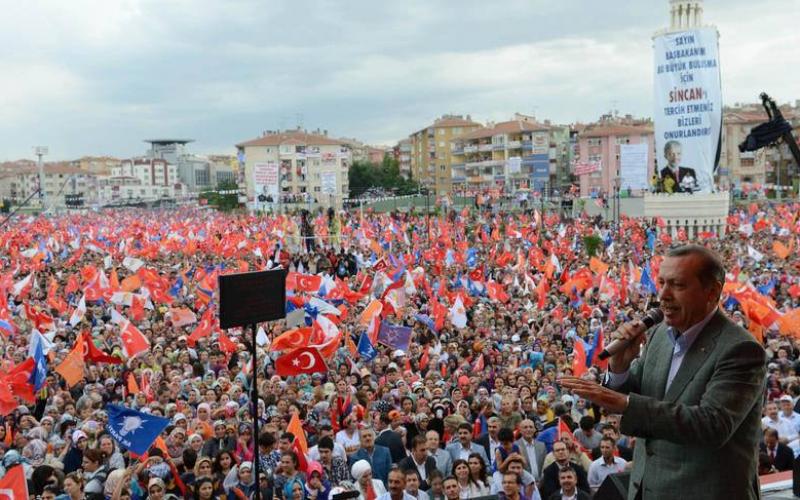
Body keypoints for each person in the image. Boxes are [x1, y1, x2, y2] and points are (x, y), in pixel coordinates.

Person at [561, 244, 767, 499]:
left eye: (678, 285)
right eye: (662, 283)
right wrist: (620, 367)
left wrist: (625, 403)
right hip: (649, 488)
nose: (664, 295)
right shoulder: (660, 334)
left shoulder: (740, 349)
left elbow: (712, 425)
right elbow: (641, 394)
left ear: (712, 292)